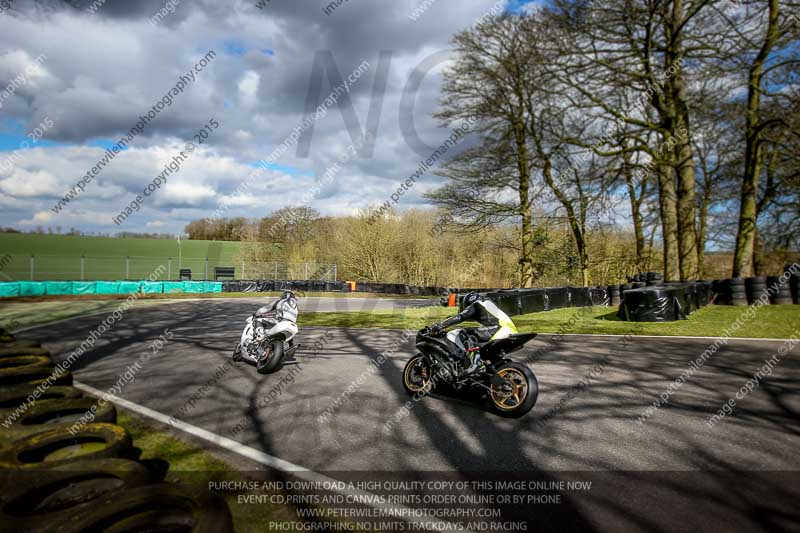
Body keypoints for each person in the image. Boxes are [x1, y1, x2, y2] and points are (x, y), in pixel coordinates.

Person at [430, 292, 518, 375]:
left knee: (464, 332)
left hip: (500, 329)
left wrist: (440, 326)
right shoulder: (487, 305)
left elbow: (461, 317)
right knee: (485, 349)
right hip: (511, 331)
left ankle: (475, 364)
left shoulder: (476, 304)